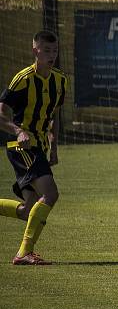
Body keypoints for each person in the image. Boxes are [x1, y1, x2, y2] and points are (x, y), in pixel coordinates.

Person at [0, 30, 67, 265]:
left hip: (39, 146)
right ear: (35, 50)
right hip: (21, 147)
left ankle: (25, 253)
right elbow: (1, 114)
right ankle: (23, 254)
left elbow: (55, 116)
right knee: (50, 193)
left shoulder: (60, 80)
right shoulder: (23, 79)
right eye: (46, 50)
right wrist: (18, 131)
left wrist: (54, 146)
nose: (51, 55)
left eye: (55, 51)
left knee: (29, 211)